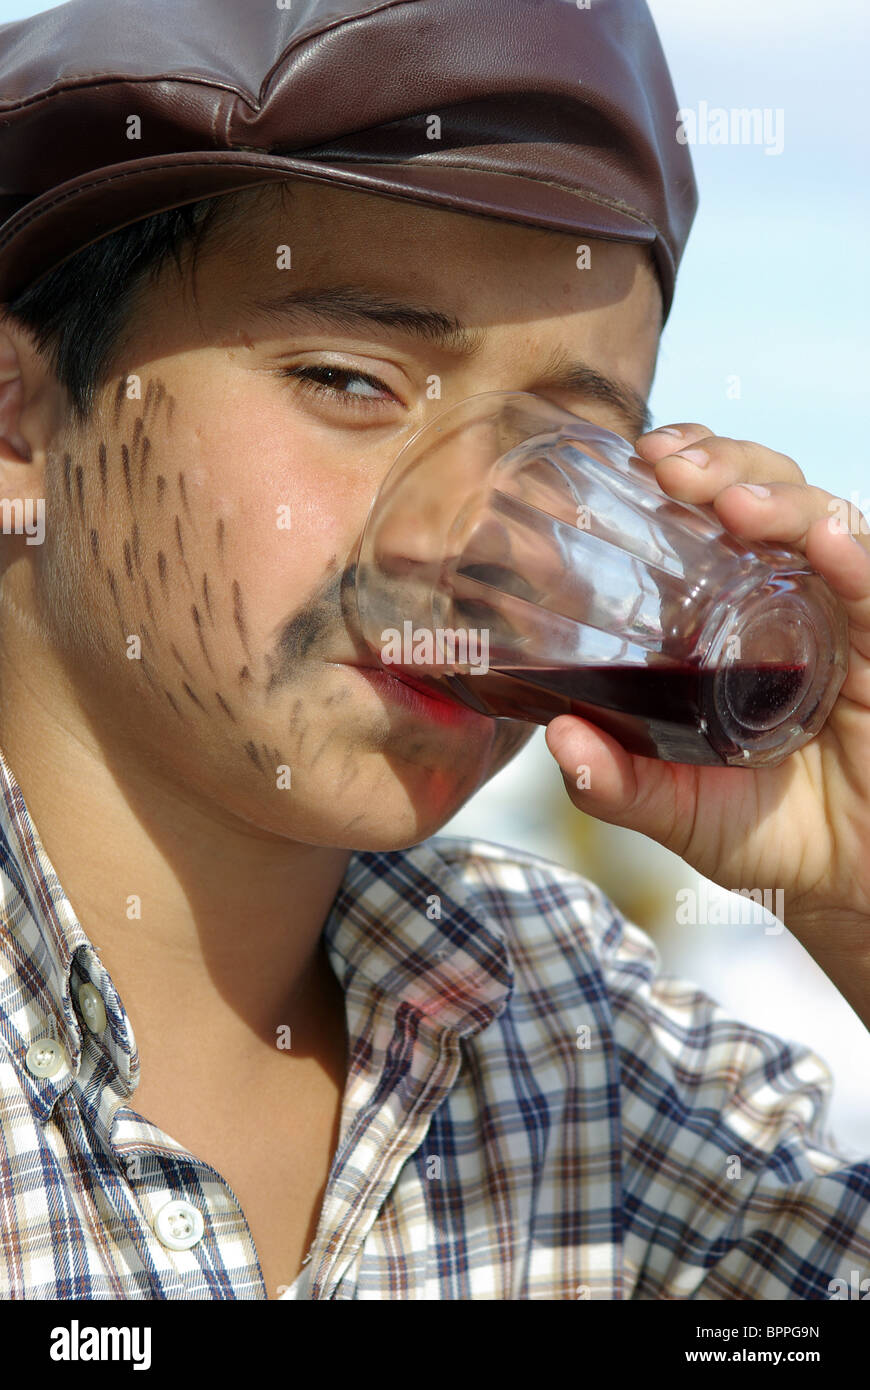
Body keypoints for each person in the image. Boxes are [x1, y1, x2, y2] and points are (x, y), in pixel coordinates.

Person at [0, 0, 867, 1302]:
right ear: (22, 428)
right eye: (351, 380)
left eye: (565, 446)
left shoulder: (584, 1036)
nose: (469, 544)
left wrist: (854, 892)